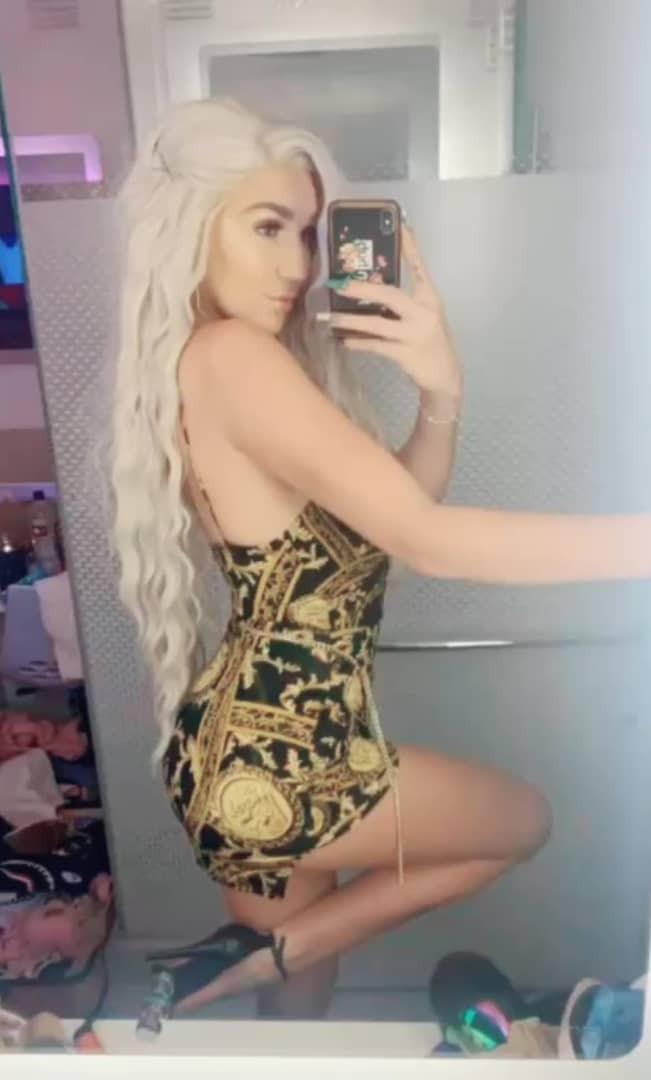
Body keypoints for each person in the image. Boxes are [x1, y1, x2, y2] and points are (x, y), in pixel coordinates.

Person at [107, 98, 651, 1020]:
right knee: (521, 821)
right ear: (190, 226)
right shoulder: (233, 357)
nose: (297, 265)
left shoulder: (204, 363)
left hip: (238, 755)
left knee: (300, 1016)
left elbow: (395, 519)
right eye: (267, 227)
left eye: (307, 234)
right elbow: (427, 540)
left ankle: (260, 963)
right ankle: (269, 959)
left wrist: (441, 393)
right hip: (289, 756)